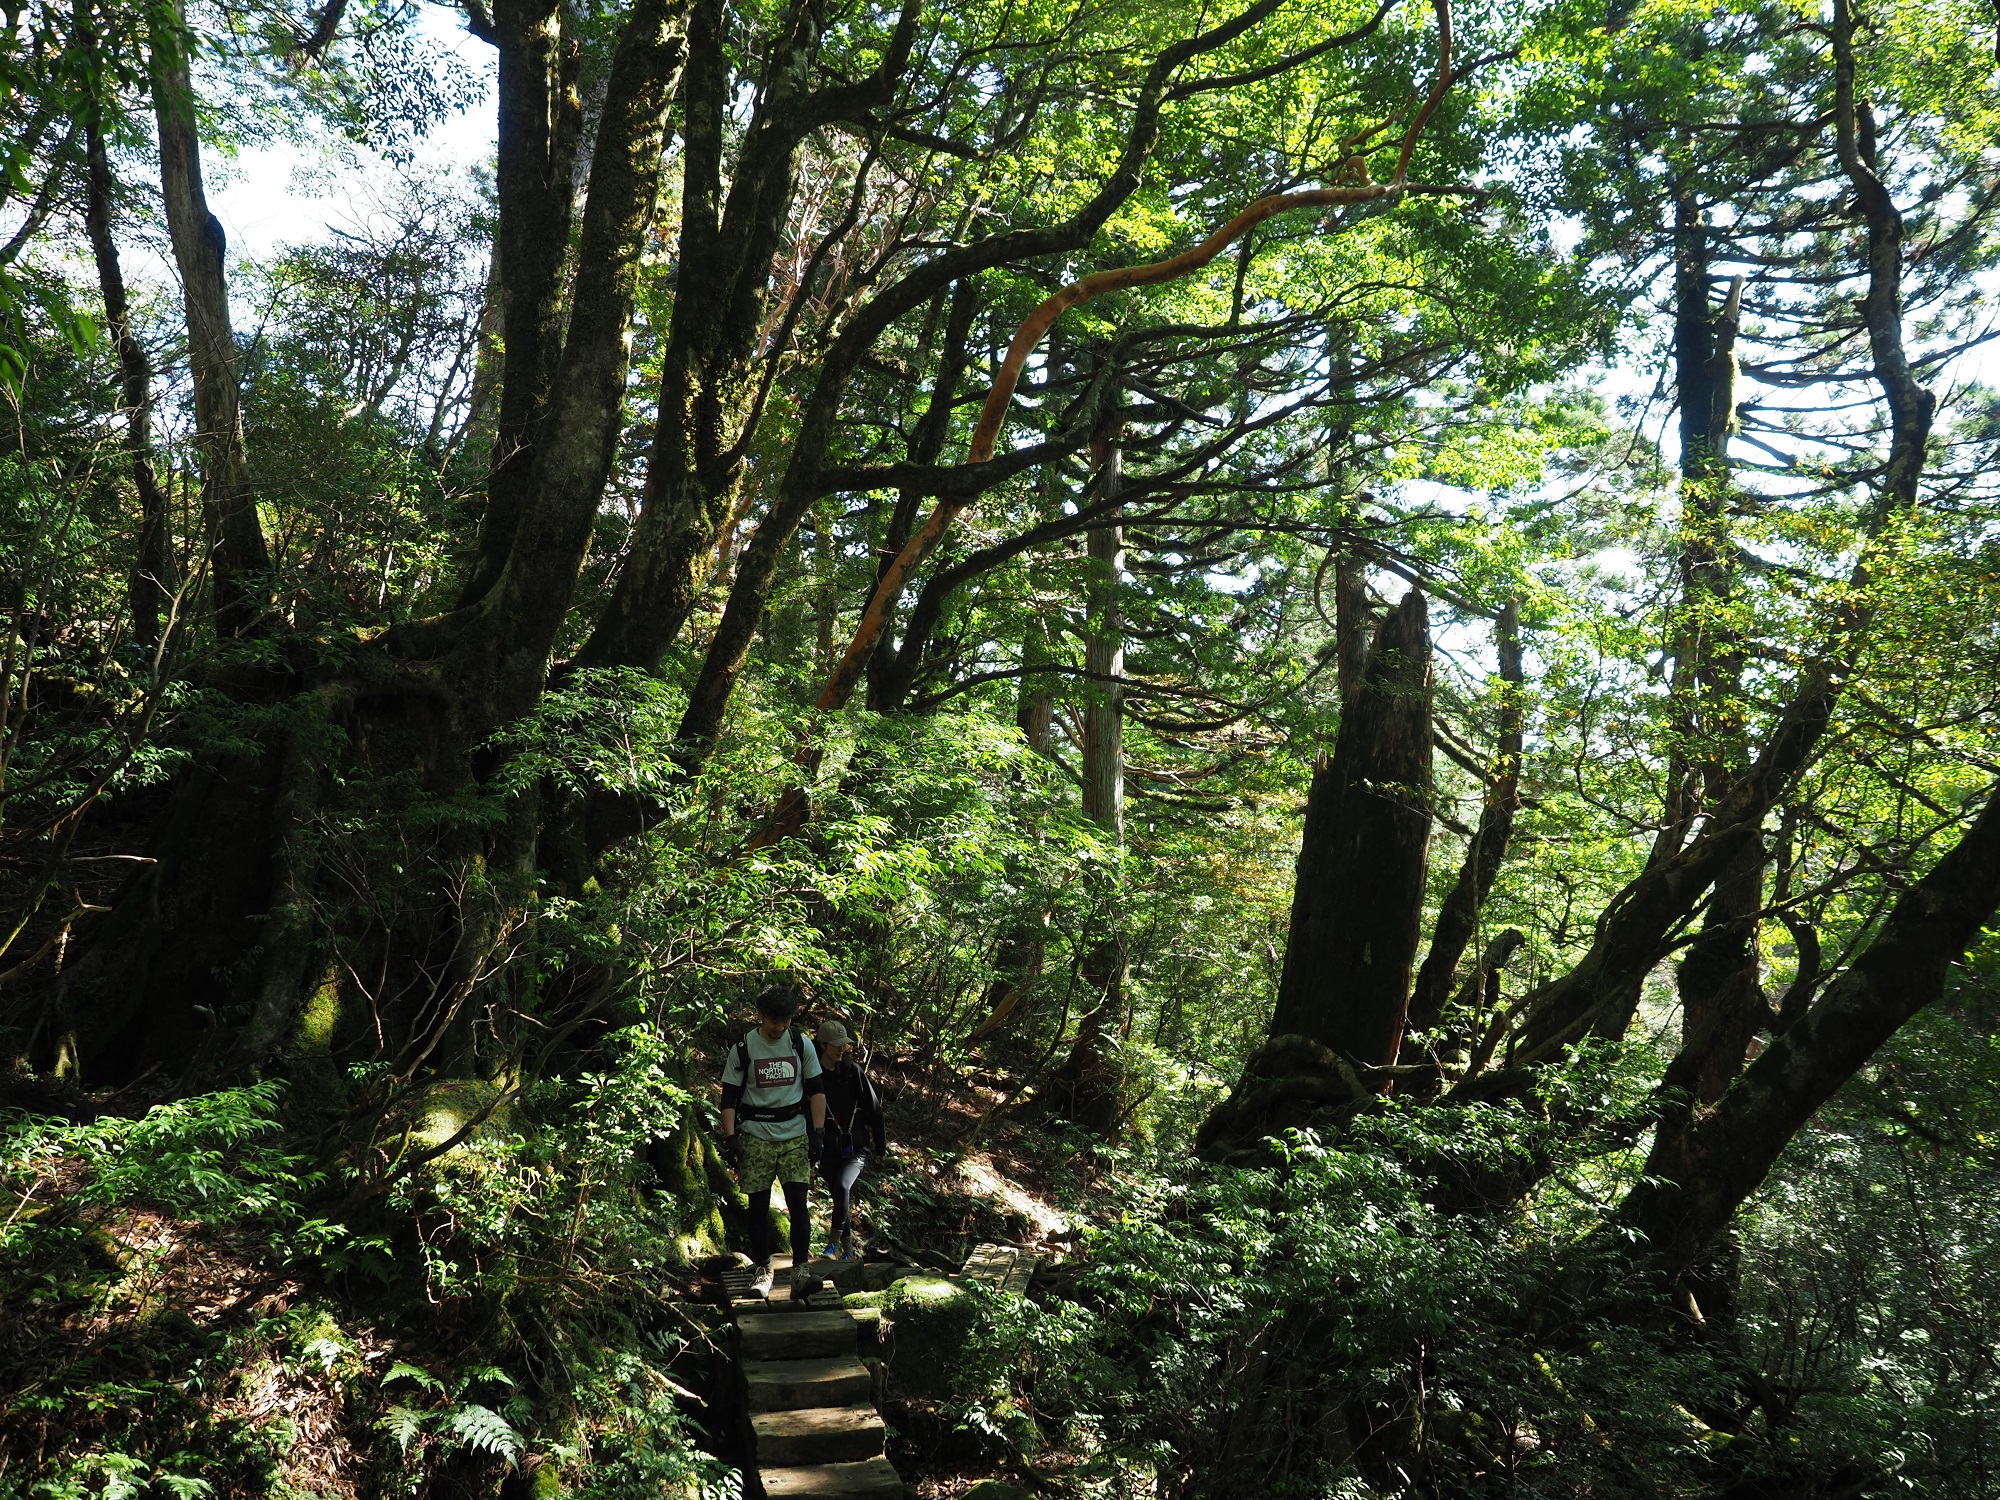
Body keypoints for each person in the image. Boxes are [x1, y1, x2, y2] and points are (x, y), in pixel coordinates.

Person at [717, 984, 827, 1299]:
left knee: (798, 1204)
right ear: (761, 1015)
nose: (780, 1027)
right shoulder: (744, 1048)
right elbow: (729, 1096)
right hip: (756, 1135)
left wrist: (817, 1132)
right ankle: (763, 1270)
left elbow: (817, 1088)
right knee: (758, 1207)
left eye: (786, 1020)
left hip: (794, 1133)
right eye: (774, 1020)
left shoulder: (800, 1043)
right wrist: (730, 1137)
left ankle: (801, 1273)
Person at [813, 1018, 885, 1261]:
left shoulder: (853, 1072)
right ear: (823, 1045)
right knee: (838, 1195)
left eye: (844, 1044)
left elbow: (874, 1108)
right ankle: (849, 1250)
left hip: (856, 1146)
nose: (842, 1049)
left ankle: (831, 1246)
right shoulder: (814, 1075)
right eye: (836, 1045)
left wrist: (880, 1142)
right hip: (827, 1148)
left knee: (843, 1187)